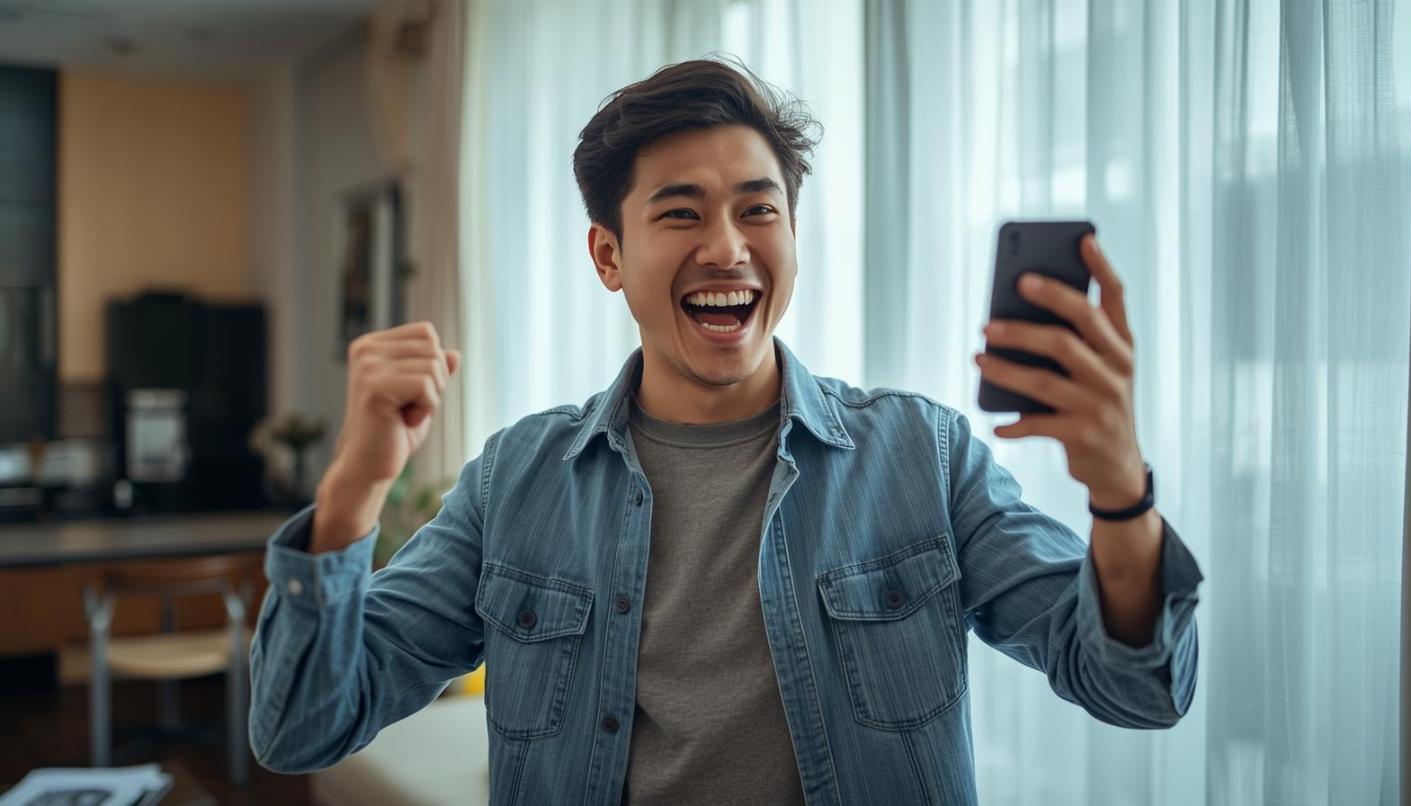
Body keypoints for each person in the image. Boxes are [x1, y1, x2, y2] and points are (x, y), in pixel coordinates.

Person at [248, 56, 1203, 806]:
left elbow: (1138, 688)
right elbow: (300, 729)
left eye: (758, 210)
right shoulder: (515, 481)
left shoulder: (925, 456)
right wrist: (353, 492)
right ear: (608, 255)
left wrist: (1120, 491)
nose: (728, 247)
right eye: (681, 213)